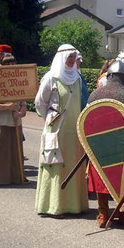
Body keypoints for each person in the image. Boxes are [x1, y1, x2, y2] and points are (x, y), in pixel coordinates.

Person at [35, 44, 89, 216]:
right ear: (62, 58)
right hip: (57, 127)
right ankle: (53, 205)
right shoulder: (51, 77)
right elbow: (40, 102)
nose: (72, 60)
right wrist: (49, 118)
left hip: (74, 128)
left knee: (73, 163)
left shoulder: (78, 79)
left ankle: (74, 205)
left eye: (74, 57)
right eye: (69, 57)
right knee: (55, 163)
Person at [86, 60, 124, 227]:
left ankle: (103, 214)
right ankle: (122, 213)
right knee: (122, 179)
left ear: (110, 75)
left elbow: (87, 121)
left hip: (98, 143)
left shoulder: (95, 94)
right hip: (120, 145)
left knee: (101, 179)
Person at [0, 53, 27, 187]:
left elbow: (24, 105)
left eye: (13, 63)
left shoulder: (19, 83)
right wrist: (7, 106)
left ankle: (15, 177)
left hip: (15, 122)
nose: (10, 66)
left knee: (14, 152)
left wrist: (20, 113)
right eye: (7, 63)